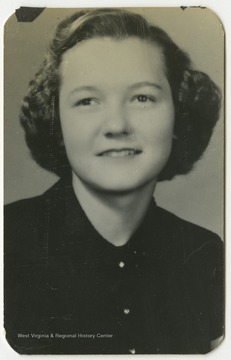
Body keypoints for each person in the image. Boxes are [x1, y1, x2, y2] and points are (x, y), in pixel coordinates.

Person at [4, 8, 224, 355]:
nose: (117, 125)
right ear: (55, 121)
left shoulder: (207, 255)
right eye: (87, 100)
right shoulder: (8, 241)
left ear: (179, 116)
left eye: (142, 97)